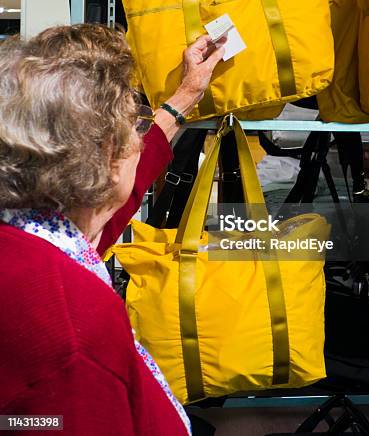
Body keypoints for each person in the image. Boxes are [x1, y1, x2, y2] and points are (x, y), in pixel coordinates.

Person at [0, 23, 225, 435]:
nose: (140, 142)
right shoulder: (75, 325)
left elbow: (125, 192)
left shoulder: (36, 230)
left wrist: (186, 95)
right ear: (106, 156)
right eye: (132, 130)